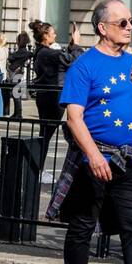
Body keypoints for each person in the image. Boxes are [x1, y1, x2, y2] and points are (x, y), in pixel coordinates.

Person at [53, 0, 132, 264]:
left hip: (128, 161)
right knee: (82, 226)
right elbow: (73, 116)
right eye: (122, 22)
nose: (130, 27)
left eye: (131, 21)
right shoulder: (85, 66)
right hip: (94, 159)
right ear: (102, 28)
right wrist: (93, 155)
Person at [30, 20, 80, 172]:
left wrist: (71, 45)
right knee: (46, 135)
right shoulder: (48, 53)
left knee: (45, 134)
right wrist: (76, 45)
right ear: (45, 35)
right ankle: (37, 169)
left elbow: (65, 58)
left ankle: (37, 168)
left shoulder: (41, 52)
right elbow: (74, 60)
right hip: (53, 97)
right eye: (52, 32)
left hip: (46, 96)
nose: (55, 34)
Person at [7, 32, 32, 118]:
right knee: (17, 94)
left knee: (16, 94)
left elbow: (10, 58)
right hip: (20, 73)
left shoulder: (20, 52)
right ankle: (17, 113)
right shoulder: (27, 52)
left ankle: (18, 114)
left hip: (16, 73)